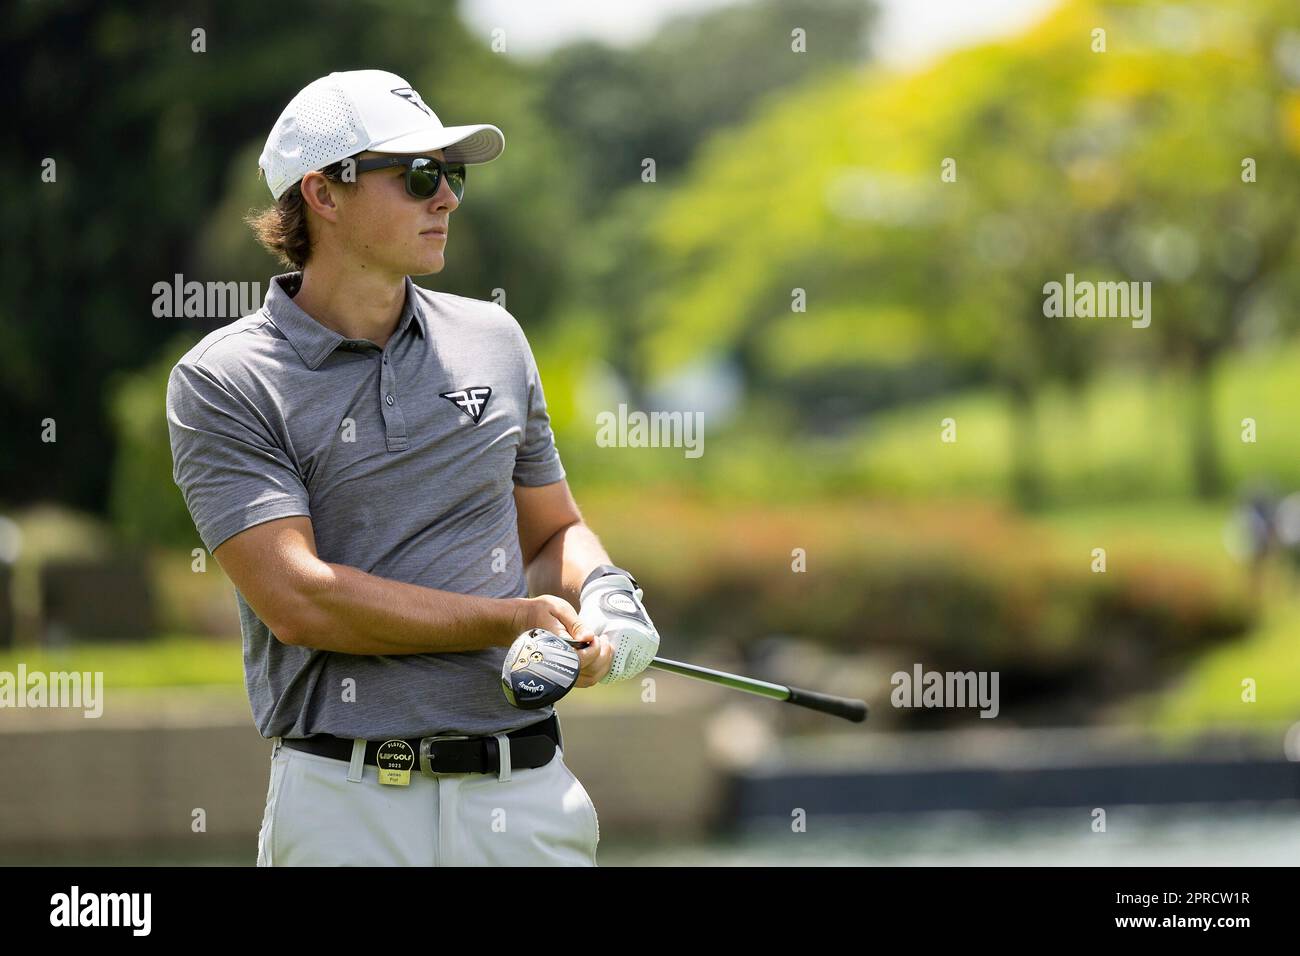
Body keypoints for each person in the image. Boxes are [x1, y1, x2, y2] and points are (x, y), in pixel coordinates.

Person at [165, 69, 661, 866]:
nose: (448, 200)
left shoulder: (495, 337)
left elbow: (553, 530)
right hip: (347, 809)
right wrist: (512, 621)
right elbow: (301, 601)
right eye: (420, 176)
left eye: (451, 175)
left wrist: (605, 593)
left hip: (527, 799)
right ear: (324, 194)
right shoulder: (225, 379)